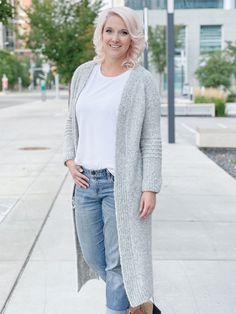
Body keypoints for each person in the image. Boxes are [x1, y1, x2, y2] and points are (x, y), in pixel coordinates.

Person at [63, 6, 162, 314]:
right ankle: (142, 304)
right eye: (110, 31)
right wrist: (69, 160)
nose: (116, 38)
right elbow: (71, 122)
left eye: (123, 32)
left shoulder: (141, 81)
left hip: (121, 184)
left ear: (133, 38)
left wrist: (150, 187)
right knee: (95, 257)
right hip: (85, 184)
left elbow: (151, 138)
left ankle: (120, 309)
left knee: (120, 263)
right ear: (100, 34)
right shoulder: (83, 74)